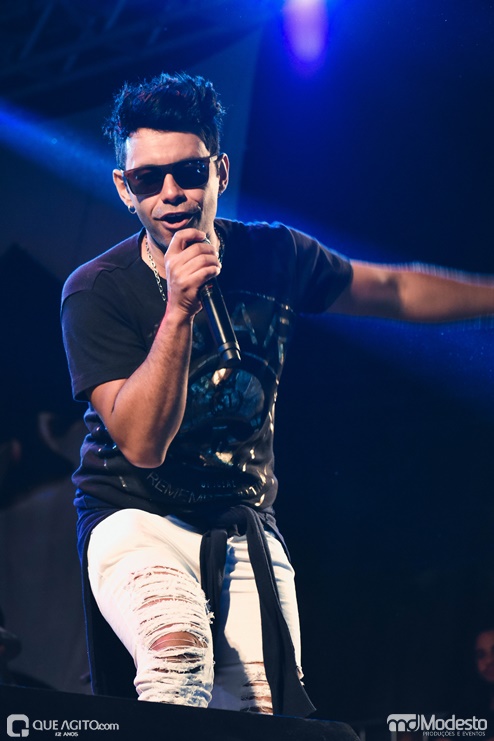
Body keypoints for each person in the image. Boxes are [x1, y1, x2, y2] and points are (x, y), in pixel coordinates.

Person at [61, 71, 494, 717]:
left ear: (220, 170)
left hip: (242, 517)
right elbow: (143, 444)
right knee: (177, 659)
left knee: (261, 711)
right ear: (125, 188)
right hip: (135, 511)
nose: (171, 193)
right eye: (149, 179)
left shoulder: (273, 255)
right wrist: (179, 308)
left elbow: (393, 290)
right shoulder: (97, 289)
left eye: (189, 172)